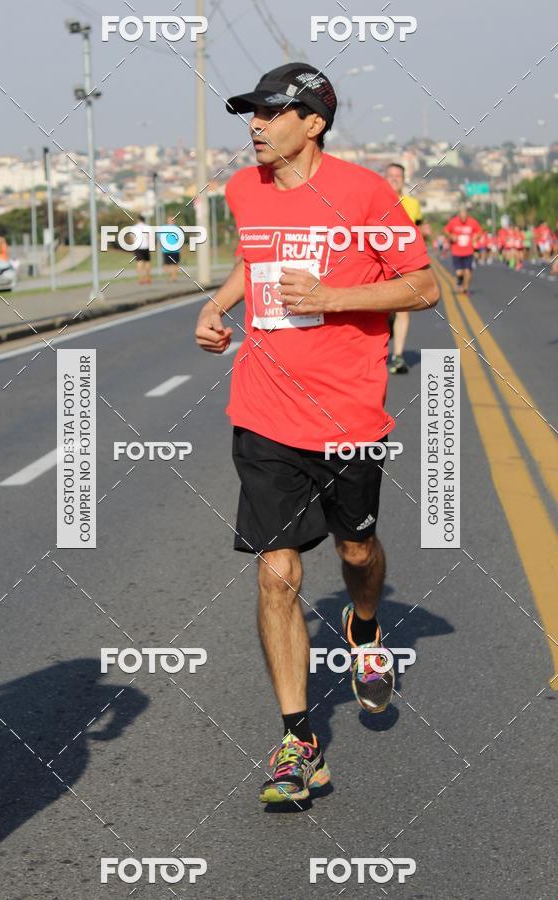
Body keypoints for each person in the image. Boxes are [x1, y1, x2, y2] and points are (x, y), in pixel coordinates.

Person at [195, 63, 439, 805]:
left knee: (357, 551)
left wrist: (334, 297)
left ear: (314, 121)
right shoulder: (245, 190)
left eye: (270, 112)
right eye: (251, 114)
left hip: (348, 415)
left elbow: (422, 286)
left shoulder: (366, 194)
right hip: (264, 411)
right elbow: (254, 260)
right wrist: (218, 305)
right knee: (277, 572)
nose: (255, 126)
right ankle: (298, 740)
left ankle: (364, 629)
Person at [385, 163, 423, 374]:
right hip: (378, 264)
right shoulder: (374, 201)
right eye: (390, 175)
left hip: (404, 264)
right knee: (382, 311)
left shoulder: (412, 204)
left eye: (398, 175)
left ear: (403, 178)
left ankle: (398, 357)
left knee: (403, 309)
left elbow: (416, 233)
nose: (394, 179)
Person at [444, 206, 481, 294]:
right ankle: (460, 281)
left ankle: (466, 288)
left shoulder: (472, 222)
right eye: (462, 217)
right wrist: (451, 236)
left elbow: (479, 231)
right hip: (456, 251)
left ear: (467, 215)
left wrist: (476, 237)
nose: (464, 219)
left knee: (468, 270)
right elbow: (446, 230)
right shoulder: (453, 222)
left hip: (469, 251)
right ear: (459, 215)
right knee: (459, 273)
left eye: (465, 217)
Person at [130, 214, 152, 284]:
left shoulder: (134, 227)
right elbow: (150, 238)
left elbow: (132, 238)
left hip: (138, 247)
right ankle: (148, 278)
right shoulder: (148, 227)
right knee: (147, 262)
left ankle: (140, 279)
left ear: (138, 220)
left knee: (139, 262)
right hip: (146, 247)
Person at [162, 216, 180, 282]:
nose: (171, 221)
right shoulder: (163, 228)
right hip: (166, 250)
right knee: (166, 265)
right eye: (170, 220)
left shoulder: (177, 228)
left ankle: (174, 277)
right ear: (167, 221)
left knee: (175, 264)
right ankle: (170, 276)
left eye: (172, 220)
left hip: (175, 250)